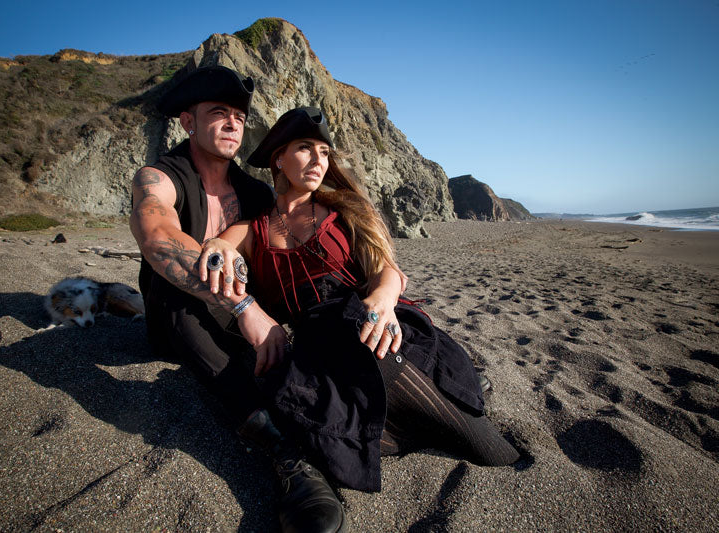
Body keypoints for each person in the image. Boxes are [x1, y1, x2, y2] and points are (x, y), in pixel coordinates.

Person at [199, 107, 520, 494]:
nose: (319, 160)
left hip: (373, 321)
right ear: (279, 159)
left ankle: (475, 434)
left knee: (375, 348)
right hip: (318, 353)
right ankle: (413, 420)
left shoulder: (344, 210)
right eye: (306, 148)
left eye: (324, 152)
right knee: (332, 401)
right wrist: (218, 244)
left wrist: (383, 300)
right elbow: (216, 250)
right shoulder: (254, 229)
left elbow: (388, 270)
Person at [130, 69, 347, 533]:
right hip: (177, 327)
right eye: (218, 114)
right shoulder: (161, 175)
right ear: (188, 122)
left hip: (246, 326)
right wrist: (245, 309)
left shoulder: (254, 194)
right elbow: (157, 231)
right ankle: (284, 450)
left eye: (239, 117)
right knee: (172, 288)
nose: (232, 124)